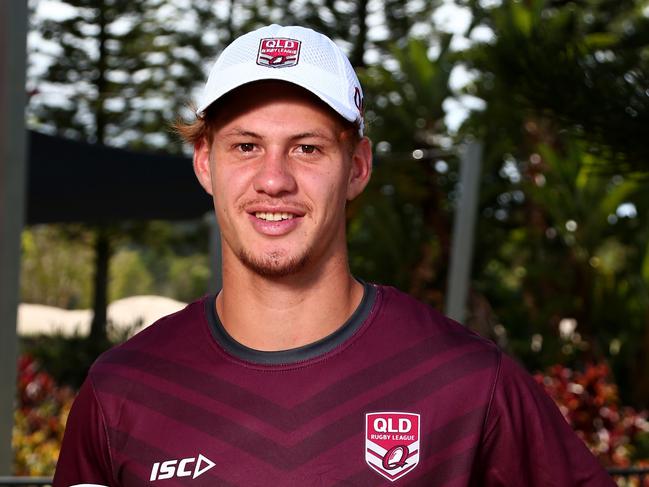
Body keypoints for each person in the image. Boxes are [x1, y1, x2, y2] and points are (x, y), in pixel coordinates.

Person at [53, 24, 615, 486]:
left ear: (359, 167)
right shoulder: (122, 392)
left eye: (308, 148)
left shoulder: (467, 384)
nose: (273, 180)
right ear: (205, 164)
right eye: (246, 147)